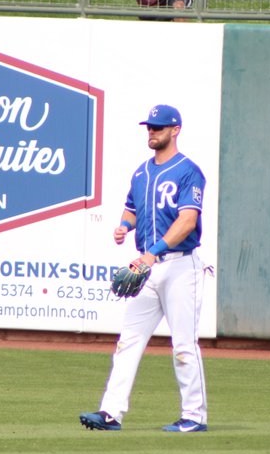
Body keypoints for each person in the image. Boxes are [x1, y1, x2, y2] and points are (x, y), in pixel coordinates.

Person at [80, 104, 210, 434]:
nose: (151, 132)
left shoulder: (187, 171)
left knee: (183, 345)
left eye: (158, 127)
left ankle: (194, 416)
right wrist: (124, 226)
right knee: (128, 341)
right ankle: (111, 413)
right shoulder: (141, 172)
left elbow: (187, 221)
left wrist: (151, 254)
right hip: (147, 267)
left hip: (180, 266)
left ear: (175, 130)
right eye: (149, 127)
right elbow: (131, 210)